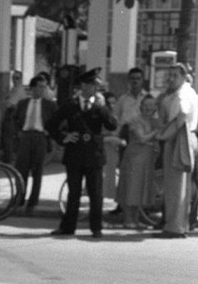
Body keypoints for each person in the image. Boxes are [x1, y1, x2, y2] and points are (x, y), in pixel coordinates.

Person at [45, 69, 117, 238]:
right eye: (92, 84)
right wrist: (64, 137)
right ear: (83, 86)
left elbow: (112, 125)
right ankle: (68, 227)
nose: (95, 88)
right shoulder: (70, 104)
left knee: (96, 194)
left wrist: (104, 106)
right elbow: (51, 125)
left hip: (94, 155)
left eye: (96, 85)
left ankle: (96, 227)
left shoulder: (100, 106)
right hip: (75, 153)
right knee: (74, 193)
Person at [154, 62, 198, 239]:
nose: (170, 79)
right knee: (182, 186)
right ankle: (180, 225)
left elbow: (181, 116)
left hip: (179, 138)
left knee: (176, 186)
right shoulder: (188, 92)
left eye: (174, 76)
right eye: (169, 75)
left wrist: (163, 135)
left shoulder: (182, 94)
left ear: (182, 76)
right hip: (187, 137)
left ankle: (174, 227)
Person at [13, 74, 58, 215]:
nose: (42, 89)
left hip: (40, 137)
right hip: (25, 136)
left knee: (37, 170)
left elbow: (58, 122)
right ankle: (20, 197)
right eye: (39, 86)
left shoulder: (50, 105)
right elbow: (14, 120)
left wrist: (49, 132)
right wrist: (18, 132)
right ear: (32, 88)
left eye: (44, 87)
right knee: (21, 169)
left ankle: (33, 201)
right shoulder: (23, 103)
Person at [114, 94, 160, 230]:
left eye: (151, 106)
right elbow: (141, 138)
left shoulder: (153, 121)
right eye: (146, 105)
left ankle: (135, 219)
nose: (148, 108)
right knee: (131, 188)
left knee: (140, 189)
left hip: (147, 159)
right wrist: (156, 132)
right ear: (141, 107)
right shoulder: (135, 120)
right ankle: (128, 219)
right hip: (134, 158)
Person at [1, 69, 28, 165]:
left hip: (13, 116)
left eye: (17, 78)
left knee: (9, 138)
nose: (14, 80)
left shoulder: (19, 90)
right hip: (10, 115)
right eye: (13, 77)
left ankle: (9, 160)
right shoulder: (13, 89)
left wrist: (7, 103)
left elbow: (9, 104)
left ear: (21, 79)